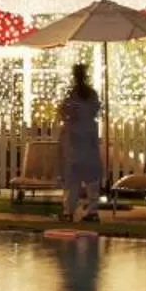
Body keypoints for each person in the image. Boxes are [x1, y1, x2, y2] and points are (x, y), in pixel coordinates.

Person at [56, 61, 104, 223]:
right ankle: (92, 210)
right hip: (89, 136)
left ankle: (69, 210)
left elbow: (64, 112)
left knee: (73, 178)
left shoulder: (72, 95)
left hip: (74, 138)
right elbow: (96, 109)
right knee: (91, 178)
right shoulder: (92, 94)